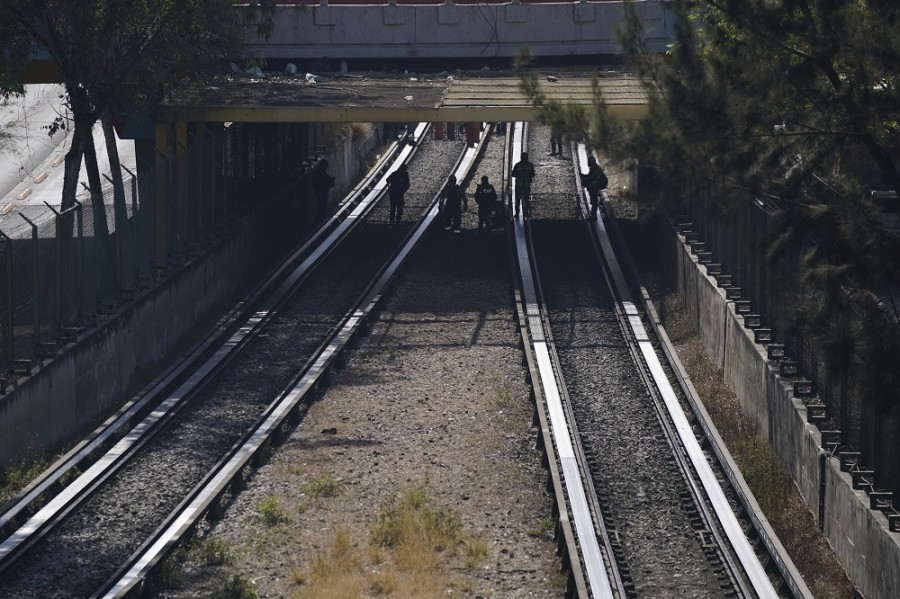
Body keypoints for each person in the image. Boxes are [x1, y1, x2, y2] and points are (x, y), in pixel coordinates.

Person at [511, 152, 535, 217]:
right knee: (526, 199)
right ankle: (526, 213)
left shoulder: (517, 165)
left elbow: (513, 174)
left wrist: (519, 175)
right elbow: (533, 174)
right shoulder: (530, 165)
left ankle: (517, 213)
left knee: (517, 199)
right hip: (526, 185)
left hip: (519, 185)